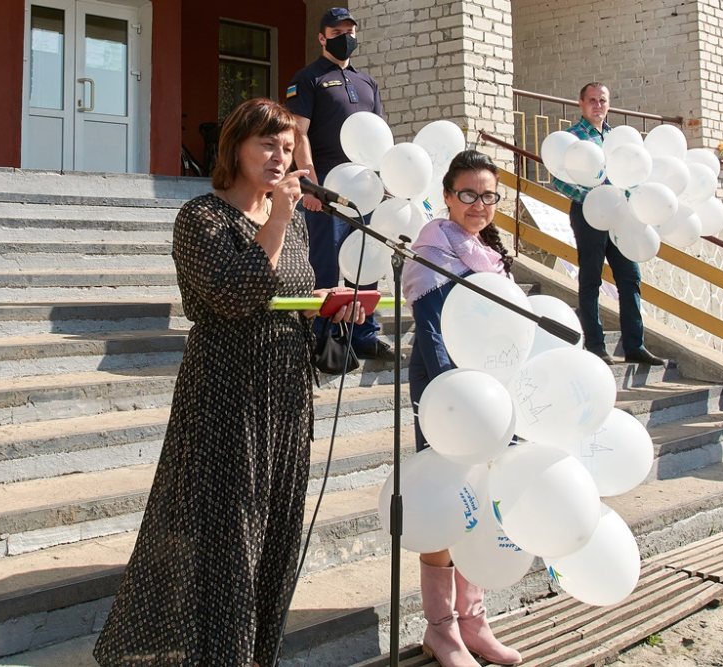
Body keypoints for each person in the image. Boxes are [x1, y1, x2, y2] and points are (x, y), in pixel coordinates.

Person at [93, 98, 365, 667]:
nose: (280, 157)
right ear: (235, 148)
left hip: (286, 388)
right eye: (267, 144)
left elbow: (286, 292)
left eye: (287, 147)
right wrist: (279, 220)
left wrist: (328, 302)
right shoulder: (203, 218)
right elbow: (236, 293)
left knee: (277, 525)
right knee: (228, 530)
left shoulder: (288, 220)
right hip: (226, 388)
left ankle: (255, 651)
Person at [402, 150, 522, 667]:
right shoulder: (433, 247)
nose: (479, 204)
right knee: (445, 499)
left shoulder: (488, 252)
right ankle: (441, 630)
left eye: (488, 195)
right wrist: (458, 396)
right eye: (468, 194)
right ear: (447, 196)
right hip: (446, 391)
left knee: (482, 498)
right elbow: (432, 331)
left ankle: (473, 621)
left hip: (492, 389)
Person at [285, 7, 394, 361]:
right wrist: (311, 185)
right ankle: (324, 336)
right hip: (328, 188)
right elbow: (298, 133)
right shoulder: (308, 78)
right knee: (326, 263)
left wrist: (385, 182)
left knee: (365, 258)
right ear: (322, 37)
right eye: (336, 32)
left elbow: (377, 137)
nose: (344, 37)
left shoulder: (367, 83)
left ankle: (364, 334)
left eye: (349, 31)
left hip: (366, 189)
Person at [552, 82, 664, 367]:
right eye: (592, 100)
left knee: (630, 277)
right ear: (581, 104)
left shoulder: (619, 138)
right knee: (591, 278)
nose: (597, 105)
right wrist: (593, 199)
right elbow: (558, 180)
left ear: (609, 104)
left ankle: (635, 345)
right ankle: (595, 345)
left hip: (622, 216)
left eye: (602, 100)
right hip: (589, 215)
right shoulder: (572, 138)